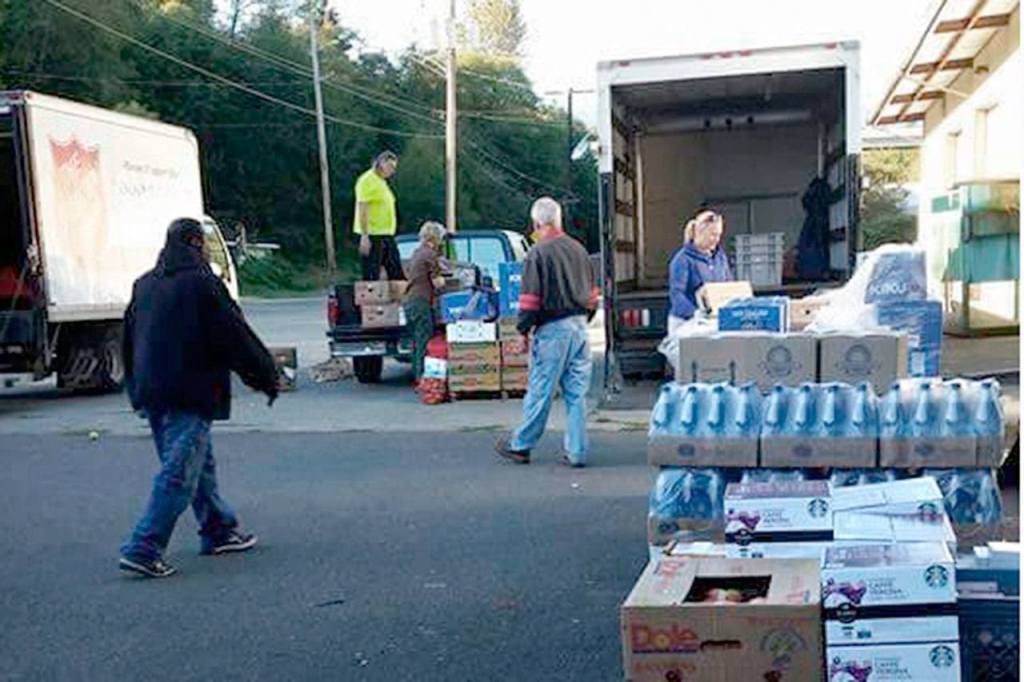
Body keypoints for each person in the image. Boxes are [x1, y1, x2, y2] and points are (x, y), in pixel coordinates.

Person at [118, 218, 280, 579]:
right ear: (195, 242)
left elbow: (128, 341)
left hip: (152, 391)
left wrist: (135, 390)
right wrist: (266, 376)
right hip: (190, 391)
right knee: (179, 472)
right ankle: (144, 547)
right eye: (204, 242)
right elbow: (236, 337)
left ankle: (218, 529)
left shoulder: (144, 285)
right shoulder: (203, 284)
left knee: (196, 462)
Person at [495, 197, 599, 468]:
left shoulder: (538, 253)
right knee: (576, 395)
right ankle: (577, 452)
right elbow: (593, 295)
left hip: (553, 329)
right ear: (559, 220)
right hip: (580, 328)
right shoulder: (579, 250)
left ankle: (521, 445)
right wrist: (584, 318)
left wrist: (522, 330)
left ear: (537, 223)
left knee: (541, 390)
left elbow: (530, 298)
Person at [667, 209, 733, 332]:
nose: (717, 239)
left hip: (713, 322)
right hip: (685, 323)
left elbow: (728, 285)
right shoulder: (682, 259)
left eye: (719, 235)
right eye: (713, 234)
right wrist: (696, 314)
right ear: (700, 232)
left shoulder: (720, 257)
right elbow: (676, 295)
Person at [403, 221, 447, 383]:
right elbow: (438, 283)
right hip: (421, 303)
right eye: (441, 238)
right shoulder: (429, 255)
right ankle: (422, 378)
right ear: (435, 237)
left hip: (410, 302)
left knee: (416, 341)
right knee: (424, 340)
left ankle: (417, 374)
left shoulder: (417, 252)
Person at [354, 151, 404, 281]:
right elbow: (363, 208)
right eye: (390, 166)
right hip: (373, 234)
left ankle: (398, 296)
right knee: (372, 274)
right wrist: (364, 236)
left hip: (386, 234)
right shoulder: (367, 180)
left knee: (396, 272)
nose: (392, 171)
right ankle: (370, 299)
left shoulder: (381, 181)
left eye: (394, 168)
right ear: (381, 163)